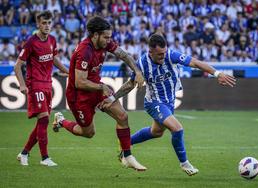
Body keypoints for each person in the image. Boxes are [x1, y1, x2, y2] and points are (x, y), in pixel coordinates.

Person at [100, 33, 236, 175]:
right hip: (154, 102)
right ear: (150, 52)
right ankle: (185, 163)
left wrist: (217, 73)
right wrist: (112, 99)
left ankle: (125, 144)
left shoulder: (171, 55)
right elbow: (130, 84)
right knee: (177, 129)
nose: (163, 56)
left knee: (156, 132)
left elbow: (195, 62)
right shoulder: (142, 64)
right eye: (159, 54)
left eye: (164, 52)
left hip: (169, 102)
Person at [52, 16, 146, 171]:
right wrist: (101, 88)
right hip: (79, 96)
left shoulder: (104, 43)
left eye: (110, 37)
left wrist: (137, 71)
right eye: (106, 37)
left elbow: (124, 55)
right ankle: (61, 121)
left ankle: (127, 156)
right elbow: (79, 82)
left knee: (122, 116)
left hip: (96, 88)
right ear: (95, 35)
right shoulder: (84, 51)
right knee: (88, 133)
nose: (109, 40)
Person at [14, 11, 69, 167]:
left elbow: (54, 58)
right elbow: (17, 66)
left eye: (49, 23)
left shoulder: (52, 40)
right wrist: (22, 84)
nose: (47, 26)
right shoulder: (31, 42)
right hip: (35, 84)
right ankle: (45, 158)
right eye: (44, 23)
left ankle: (24, 153)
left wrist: (67, 71)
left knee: (41, 124)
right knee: (44, 120)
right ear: (38, 24)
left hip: (47, 84)